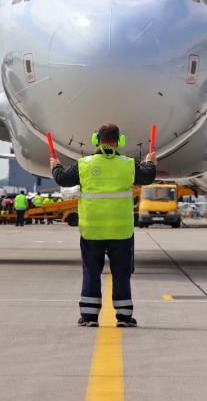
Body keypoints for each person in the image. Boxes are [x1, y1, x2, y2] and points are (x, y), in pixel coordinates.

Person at [52, 123, 156, 327]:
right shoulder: (128, 164)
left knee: (91, 272)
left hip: (92, 231)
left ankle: (89, 317)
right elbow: (148, 176)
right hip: (121, 232)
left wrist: (55, 165)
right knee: (122, 273)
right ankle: (124, 317)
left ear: (95, 140)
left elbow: (62, 179)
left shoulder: (84, 165)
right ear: (120, 141)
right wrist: (151, 163)